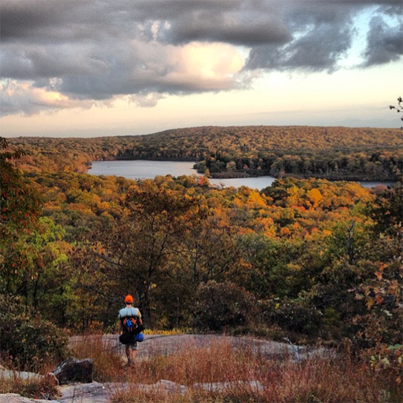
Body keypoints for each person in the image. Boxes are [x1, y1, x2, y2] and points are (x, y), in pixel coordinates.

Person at [118, 294, 143, 366]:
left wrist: (119, 332)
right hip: (134, 332)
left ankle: (129, 361)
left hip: (126, 333)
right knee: (134, 347)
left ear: (125, 302)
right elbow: (140, 322)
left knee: (127, 347)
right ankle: (133, 361)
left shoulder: (121, 312)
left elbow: (119, 323)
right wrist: (140, 328)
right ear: (132, 302)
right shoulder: (136, 311)